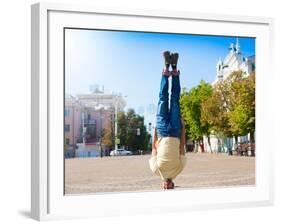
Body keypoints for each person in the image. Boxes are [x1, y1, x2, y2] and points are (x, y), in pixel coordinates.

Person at [149, 51, 187, 190]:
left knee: (163, 98)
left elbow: (153, 148)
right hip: (176, 130)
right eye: (170, 187)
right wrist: (183, 129)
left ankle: (166, 69)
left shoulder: (156, 170)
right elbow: (182, 147)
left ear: (162, 185)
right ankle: (175, 69)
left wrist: (155, 130)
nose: (167, 186)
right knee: (175, 99)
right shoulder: (178, 170)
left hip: (162, 131)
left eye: (165, 187)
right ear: (173, 185)